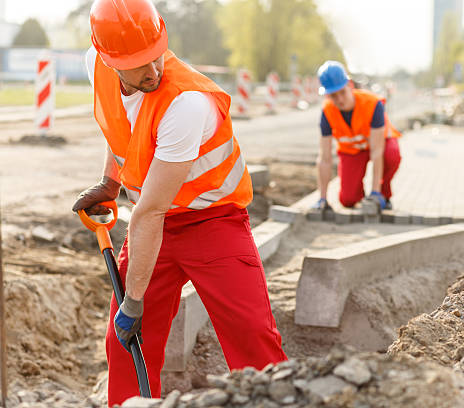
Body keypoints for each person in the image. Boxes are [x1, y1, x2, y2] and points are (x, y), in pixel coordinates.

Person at [72, 0, 287, 405]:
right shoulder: (95, 65)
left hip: (213, 223)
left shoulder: (185, 102)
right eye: (137, 64)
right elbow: (120, 127)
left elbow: (148, 211)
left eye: (155, 56)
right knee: (125, 345)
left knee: (252, 340)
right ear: (107, 58)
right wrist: (109, 182)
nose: (152, 71)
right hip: (155, 227)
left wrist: (134, 301)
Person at [314, 61, 402, 211]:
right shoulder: (327, 112)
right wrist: (322, 198)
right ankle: (361, 197)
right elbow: (325, 158)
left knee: (391, 155)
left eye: (342, 92)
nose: (340, 100)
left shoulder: (372, 104)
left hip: (379, 146)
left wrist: (375, 191)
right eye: (334, 96)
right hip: (352, 151)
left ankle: (383, 194)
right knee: (347, 200)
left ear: (350, 85)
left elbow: (377, 152)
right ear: (327, 94)